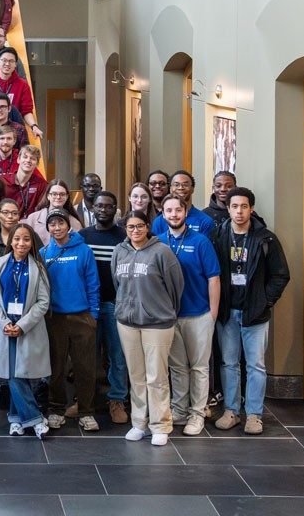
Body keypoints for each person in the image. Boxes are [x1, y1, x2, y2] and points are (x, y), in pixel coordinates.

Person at [213, 187, 290, 435]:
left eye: (244, 206)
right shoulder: (220, 235)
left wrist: (264, 301)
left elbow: (280, 275)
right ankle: (231, 411)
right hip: (227, 311)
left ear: (251, 209)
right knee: (229, 363)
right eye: (234, 206)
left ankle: (254, 415)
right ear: (228, 208)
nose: (239, 211)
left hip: (254, 313)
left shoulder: (265, 238)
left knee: (255, 365)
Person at [112, 210, 184, 446]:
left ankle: (161, 425)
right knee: (137, 376)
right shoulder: (119, 251)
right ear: (125, 228)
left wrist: (160, 309)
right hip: (127, 323)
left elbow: (176, 286)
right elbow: (117, 283)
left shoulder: (162, 251)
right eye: (131, 227)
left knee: (157, 376)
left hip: (157, 323)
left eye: (140, 226)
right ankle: (139, 423)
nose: (135, 231)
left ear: (148, 226)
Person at [157, 193, 220, 435]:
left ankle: (197, 414)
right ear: (163, 215)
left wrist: (212, 315)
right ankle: (180, 411)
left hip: (199, 314)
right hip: (170, 317)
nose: (173, 214)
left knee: (199, 368)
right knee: (177, 368)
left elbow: (214, 278)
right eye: (169, 211)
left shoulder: (201, 241)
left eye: (178, 210)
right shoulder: (159, 242)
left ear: (185, 213)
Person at [0, 224, 51, 438]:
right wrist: (4, 322)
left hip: (27, 328)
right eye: (17, 239)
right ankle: (35, 419)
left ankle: (16, 419)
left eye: (26, 240)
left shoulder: (38, 268)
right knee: (13, 374)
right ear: (10, 241)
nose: (21, 243)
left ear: (32, 243)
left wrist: (22, 325)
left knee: (18, 373)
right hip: (5, 328)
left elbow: (43, 301)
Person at [40, 209, 101, 431]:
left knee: (85, 367)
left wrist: (93, 316)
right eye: (52, 224)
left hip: (82, 316)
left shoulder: (84, 251)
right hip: (55, 318)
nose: (56, 228)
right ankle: (56, 409)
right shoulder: (44, 252)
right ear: (48, 228)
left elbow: (93, 284)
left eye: (60, 223)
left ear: (68, 226)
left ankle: (86, 412)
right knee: (56, 368)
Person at [79, 191, 129, 424]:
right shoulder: (83, 236)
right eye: (99, 206)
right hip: (89, 305)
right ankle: (84, 400)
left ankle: (116, 399)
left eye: (108, 206)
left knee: (117, 355)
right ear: (93, 208)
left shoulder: (123, 237)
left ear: (115, 209)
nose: (103, 210)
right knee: (88, 355)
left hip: (116, 304)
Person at [23, 179, 82, 243]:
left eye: (62, 194)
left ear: (67, 196)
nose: (58, 197)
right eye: (54, 194)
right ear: (48, 196)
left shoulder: (75, 223)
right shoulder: (33, 218)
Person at [2, 145, 47, 219]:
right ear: (18, 159)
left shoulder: (42, 185)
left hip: (30, 227)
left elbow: (42, 211)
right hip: (7, 224)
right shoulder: (2, 181)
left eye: (32, 158)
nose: (28, 160)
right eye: (25, 157)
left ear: (37, 163)